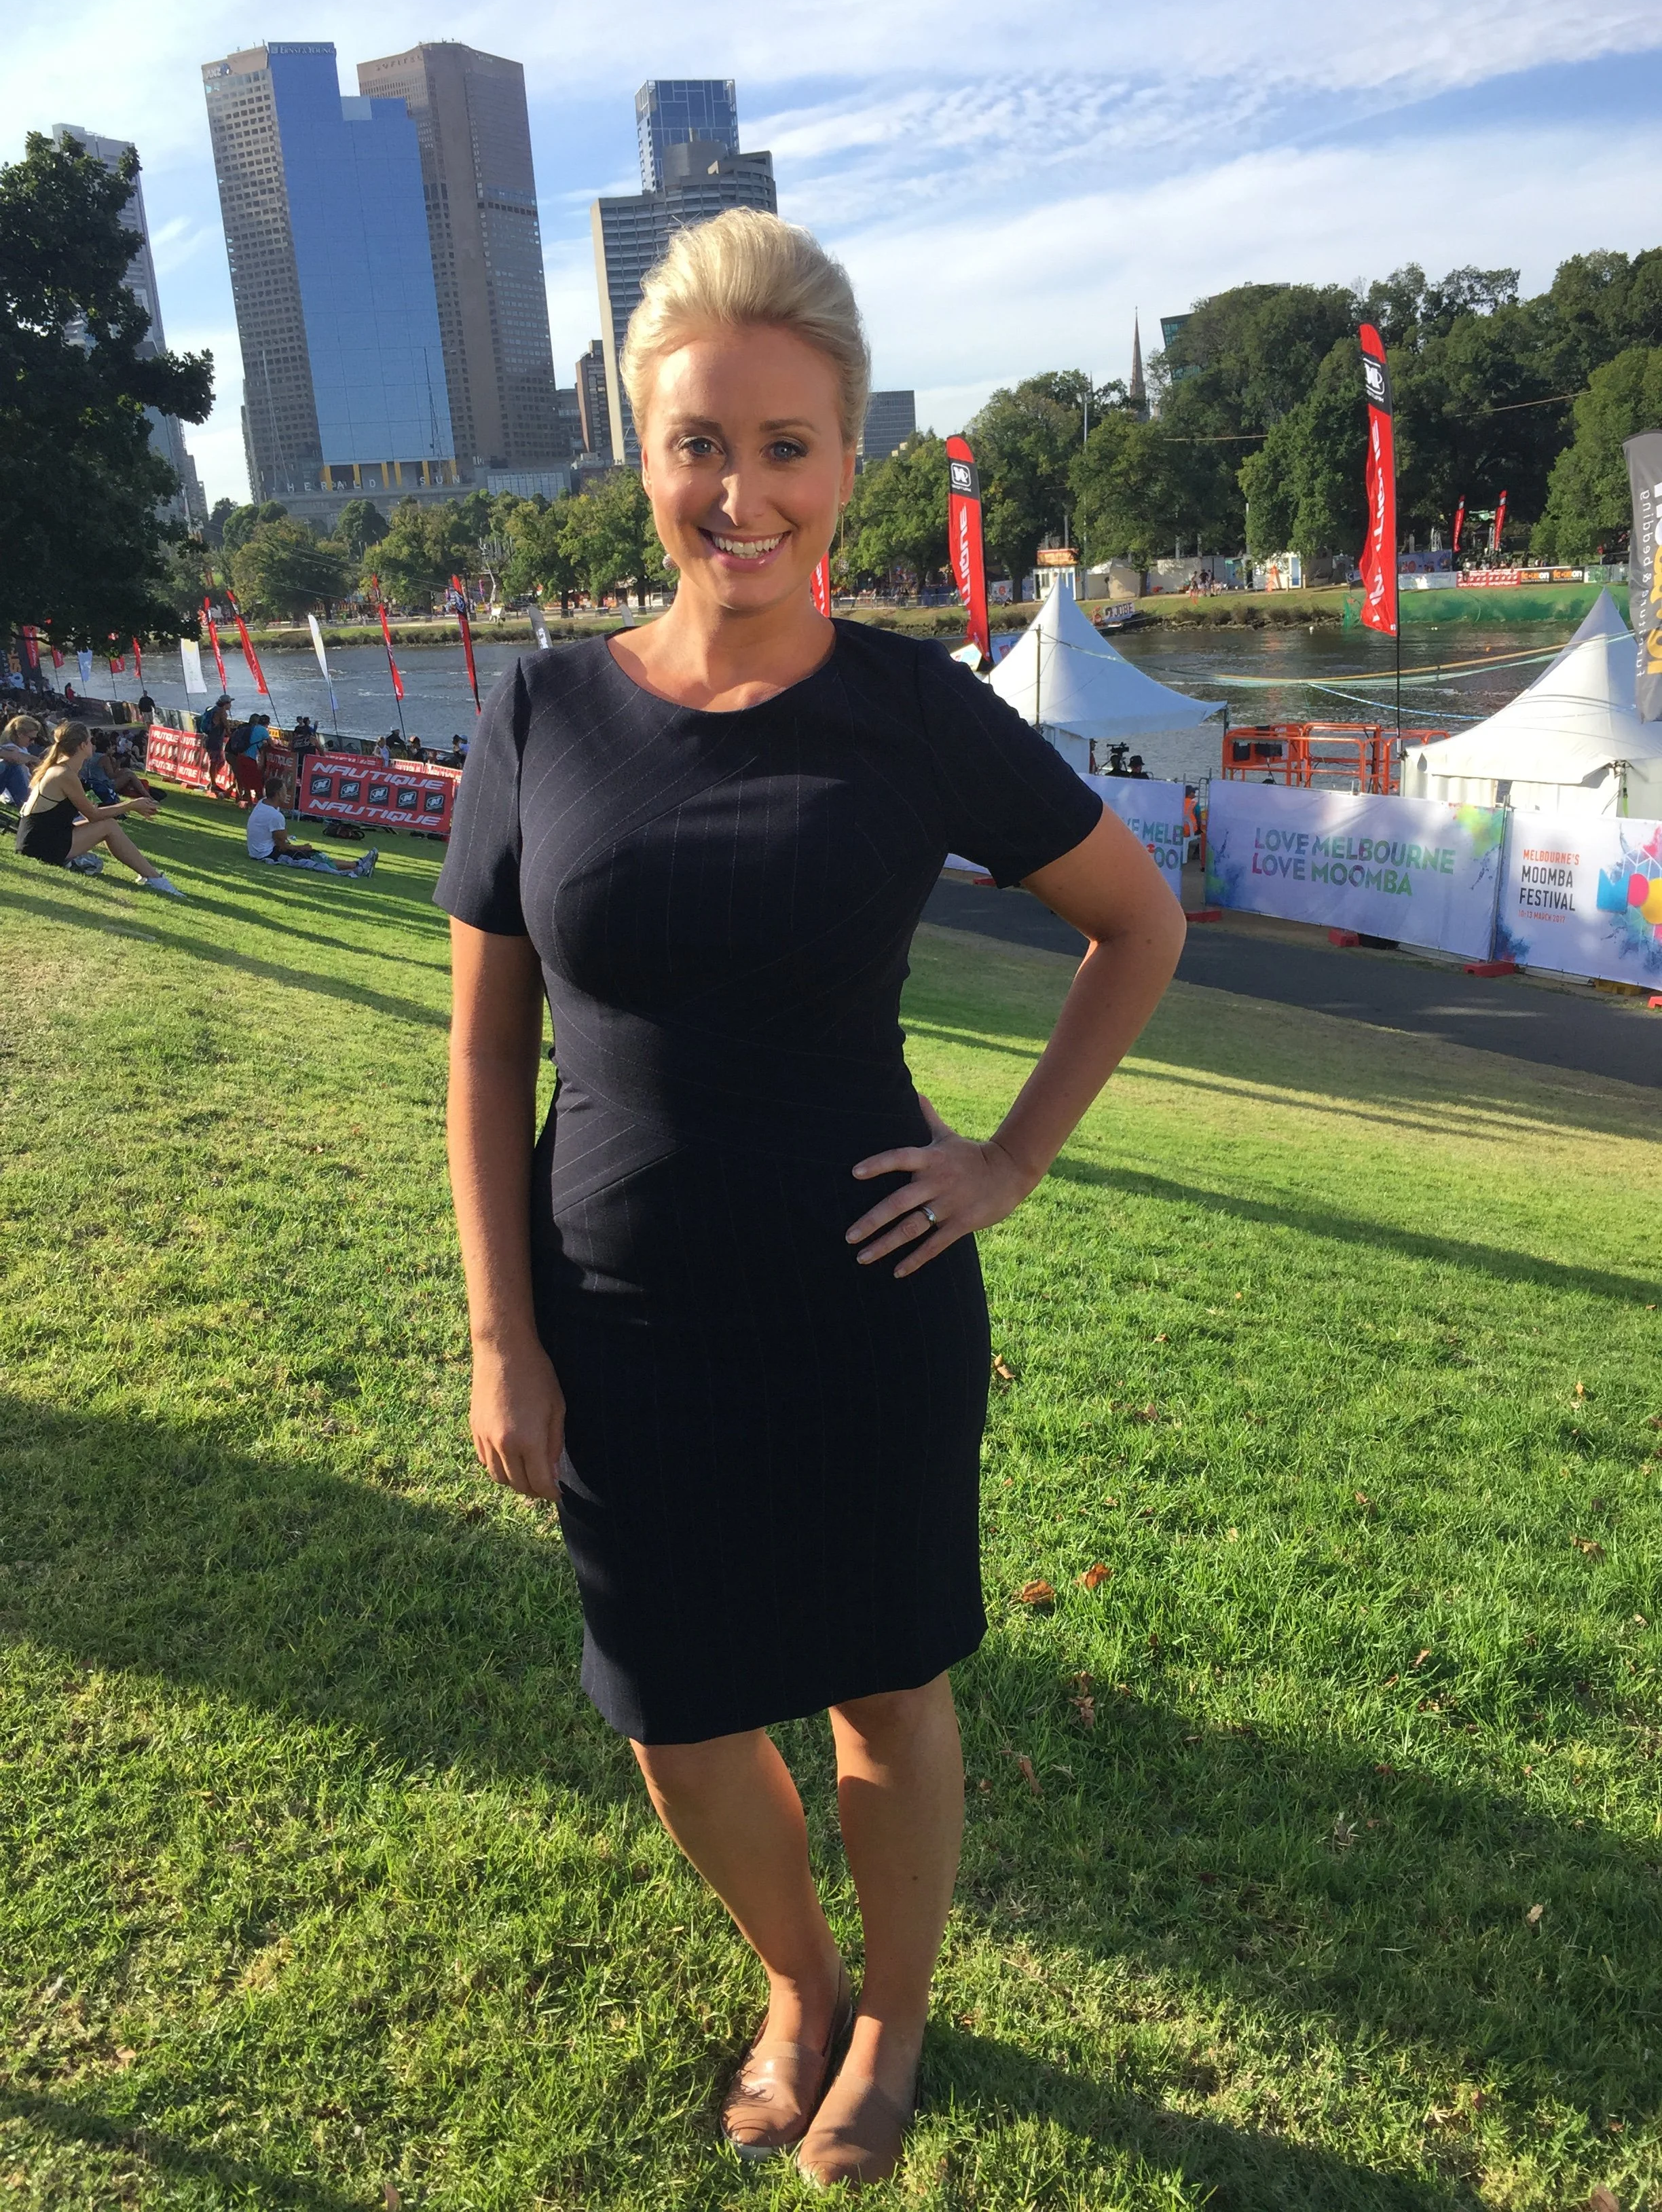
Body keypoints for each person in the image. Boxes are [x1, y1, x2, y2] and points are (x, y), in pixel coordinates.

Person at [438, 208, 1185, 2190]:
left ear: (848, 461)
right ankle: (799, 1976)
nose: (740, 492)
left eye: (786, 446)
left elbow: (1137, 919)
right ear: (645, 456)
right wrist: (506, 1333)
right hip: (618, 1320)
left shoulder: (913, 706)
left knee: (884, 1689)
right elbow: (482, 1048)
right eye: (702, 444)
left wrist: (1011, 1157)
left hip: (867, 1308)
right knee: (676, 1715)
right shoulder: (540, 718)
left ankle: (900, 2012)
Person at [15, 722, 184, 895]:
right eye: (90, 741)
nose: (93, 745)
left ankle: (151, 876)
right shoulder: (64, 774)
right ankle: (155, 879)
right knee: (108, 826)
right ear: (82, 746)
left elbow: (80, 814)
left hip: (37, 839)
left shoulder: (60, 769)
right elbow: (94, 815)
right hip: (40, 845)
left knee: (108, 824)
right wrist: (131, 805)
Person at [245, 795, 377, 878]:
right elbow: (284, 845)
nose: (287, 794)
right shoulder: (275, 816)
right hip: (269, 854)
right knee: (315, 861)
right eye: (284, 791)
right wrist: (302, 848)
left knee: (317, 855)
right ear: (279, 794)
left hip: (265, 850)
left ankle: (358, 864)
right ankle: (358, 869)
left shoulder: (264, 803)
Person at [1, 713, 42, 810]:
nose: (33, 742)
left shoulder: (21, 748)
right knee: (14, 766)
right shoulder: (10, 748)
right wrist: (36, 760)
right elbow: (16, 757)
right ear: (20, 734)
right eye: (31, 738)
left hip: (23, 788)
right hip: (13, 795)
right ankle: (29, 805)